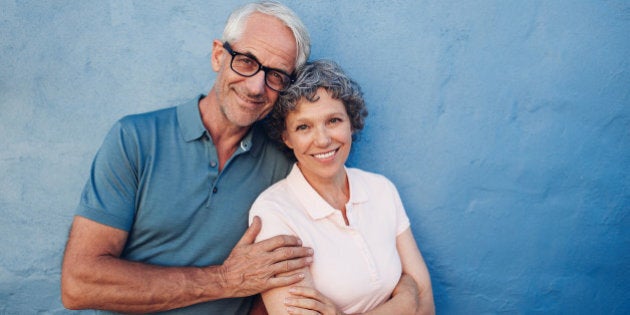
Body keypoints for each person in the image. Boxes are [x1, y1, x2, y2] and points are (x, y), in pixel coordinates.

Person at [60, 2, 316, 314]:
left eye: (275, 75)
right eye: (247, 62)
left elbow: (283, 278)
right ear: (218, 55)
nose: (256, 86)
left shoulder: (286, 165)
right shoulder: (135, 139)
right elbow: (78, 285)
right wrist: (224, 280)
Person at [249, 60, 435, 314]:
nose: (323, 140)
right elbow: (413, 295)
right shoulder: (274, 212)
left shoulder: (381, 190)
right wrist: (404, 302)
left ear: (351, 122)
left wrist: (414, 297)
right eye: (303, 127)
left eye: (334, 120)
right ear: (286, 137)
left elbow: (424, 302)